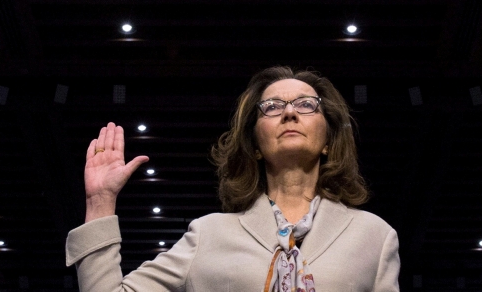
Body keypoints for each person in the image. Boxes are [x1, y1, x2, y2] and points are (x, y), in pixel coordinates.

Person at [66, 66, 401, 291]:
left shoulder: (374, 236)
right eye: (272, 107)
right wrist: (100, 202)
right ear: (254, 145)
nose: (289, 112)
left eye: (306, 104)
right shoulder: (207, 234)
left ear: (328, 140)